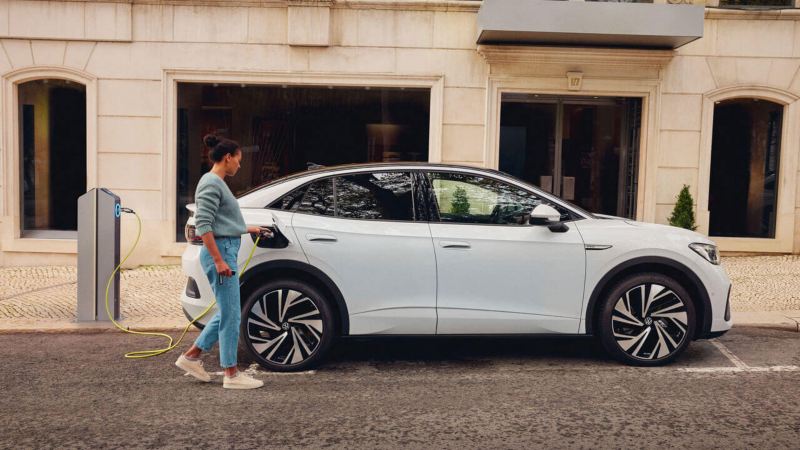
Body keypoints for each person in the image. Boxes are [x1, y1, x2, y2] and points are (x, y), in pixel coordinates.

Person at [174, 134, 270, 390]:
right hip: (220, 253)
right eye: (238, 160)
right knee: (231, 315)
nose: (239, 165)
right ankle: (231, 374)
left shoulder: (216, 182)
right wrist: (218, 261)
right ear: (227, 158)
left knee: (228, 312)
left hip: (225, 248)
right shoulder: (211, 183)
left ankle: (192, 357)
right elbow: (204, 224)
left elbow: (221, 221)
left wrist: (249, 228)